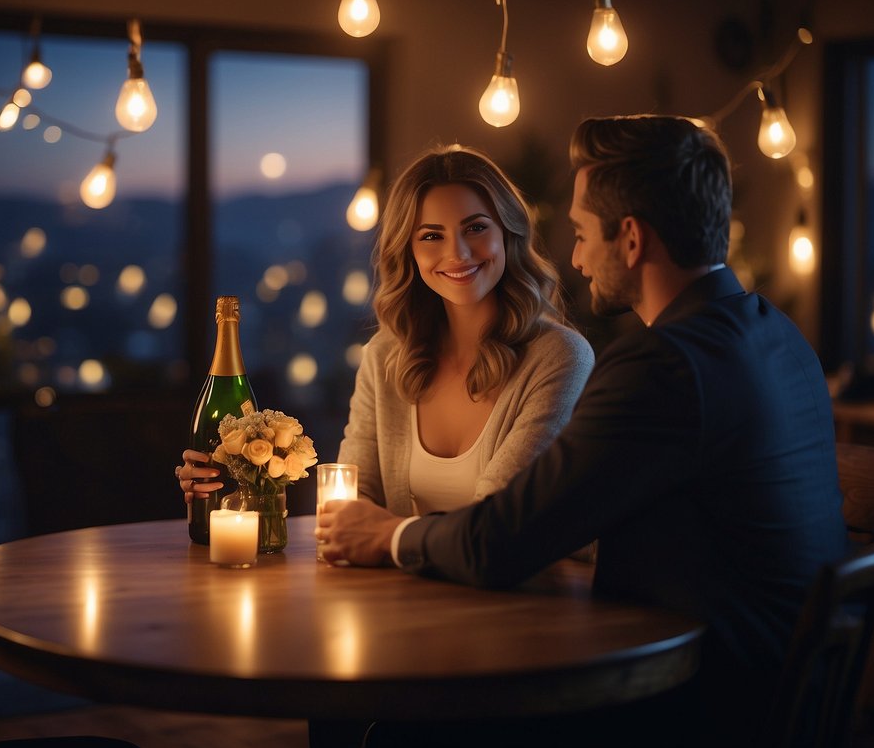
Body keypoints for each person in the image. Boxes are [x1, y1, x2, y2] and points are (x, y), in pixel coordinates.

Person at [318, 115, 848, 748]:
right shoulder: (774, 334)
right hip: (778, 686)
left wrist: (389, 534)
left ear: (630, 239)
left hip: (698, 705)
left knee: (396, 734)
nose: (573, 256)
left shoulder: (663, 367)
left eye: (581, 233)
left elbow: (504, 539)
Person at [177, 144, 594, 518]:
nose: (458, 253)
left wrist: (384, 537)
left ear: (509, 233)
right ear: (408, 252)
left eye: (476, 227)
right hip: (400, 597)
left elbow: (496, 520)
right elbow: (351, 499)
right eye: (432, 235)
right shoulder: (386, 357)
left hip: (519, 602)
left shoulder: (560, 356)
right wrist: (240, 489)